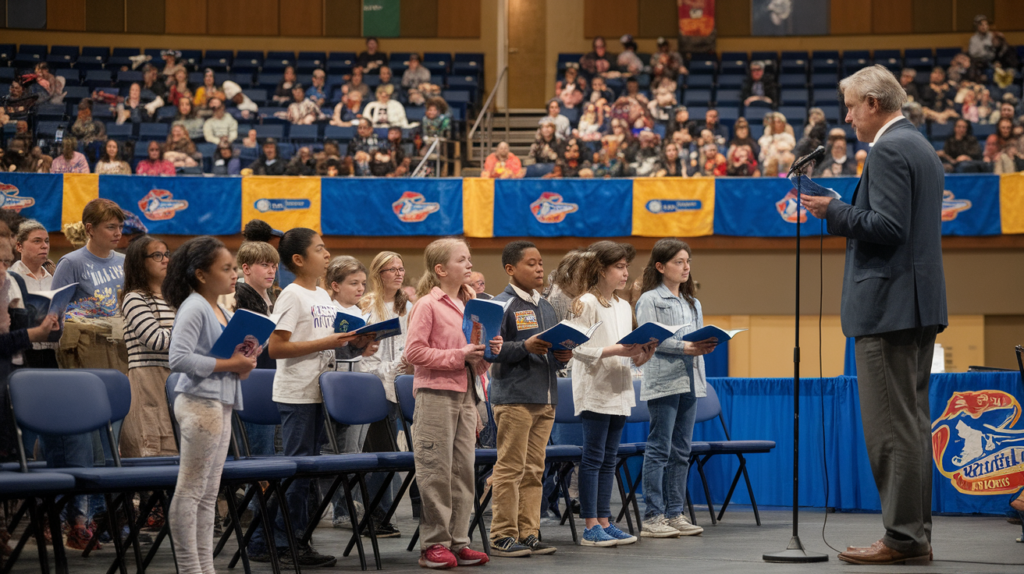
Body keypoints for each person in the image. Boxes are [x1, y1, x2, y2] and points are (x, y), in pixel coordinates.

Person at [801, 65, 947, 566]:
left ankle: (903, 538)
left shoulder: (887, 148)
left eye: (851, 106)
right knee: (910, 424)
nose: (847, 117)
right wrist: (846, 206)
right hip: (915, 304)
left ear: (873, 104)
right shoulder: (919, 145)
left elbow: (887, 225)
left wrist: (833, 212)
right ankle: (914, 535)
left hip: (888, 308)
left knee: (891, 430)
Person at [268, 228, 367, 567]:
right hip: (297, 394)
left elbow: (329, 342)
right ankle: (281, 543)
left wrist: (358, 343)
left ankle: (281, 539)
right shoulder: (292, 295)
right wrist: (327, 343)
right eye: (320, 249)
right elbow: (276, 347)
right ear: (298, 259)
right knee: (298, 473)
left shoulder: (323, 296)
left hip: (319, 393)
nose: (327, 255)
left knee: (308, 475)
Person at [165, 236, 257, 573]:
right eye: (227, 268)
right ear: (202, 274)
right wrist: (232, 364)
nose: (235, 274)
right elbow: (178, 358)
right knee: (191, 490)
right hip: (199, 404)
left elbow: (225, 361)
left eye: (235, 268)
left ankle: (206, 567)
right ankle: (191, 568)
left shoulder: (219, 307)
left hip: (219, 402)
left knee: (208, 493)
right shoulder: (195, 305)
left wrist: (244, 360)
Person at [405, 237, 496, 569]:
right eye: (463, 260)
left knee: (463, 472)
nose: (469, 264)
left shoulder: (473, 302)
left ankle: (459, 542)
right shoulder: (427, 305)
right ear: (441, 269)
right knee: (436, 471)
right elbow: (413, 353)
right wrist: (460, 354)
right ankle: (434, 544)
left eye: (470, 259)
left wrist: (488, 352)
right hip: (435, 395)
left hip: (466, 393)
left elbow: (475, 360)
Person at [486, 241, 571, 558]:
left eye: (540, 263)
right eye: (531, 263)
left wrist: (563, 356)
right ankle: (502, 535)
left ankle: (529, 531)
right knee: (510, 469)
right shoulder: (501, 306)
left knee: (535, 469)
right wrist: (524, 347)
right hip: (514, 399)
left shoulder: (547, 307)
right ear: (511, 269)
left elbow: (551, 353)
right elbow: (490, 353)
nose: (539, 269)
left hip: (545, 398)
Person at [569, 241, 652, 547]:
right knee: (592, 458)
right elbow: (577, 348)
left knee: (609, 459)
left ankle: (604, 519)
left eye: (626, 266)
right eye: (618, 267)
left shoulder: (623, 305)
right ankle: (590, 524)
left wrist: (642, 353)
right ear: (600, 270)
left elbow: (626, 350)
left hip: (619, 388)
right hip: (595, 389)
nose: (625, 272)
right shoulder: (586, 303)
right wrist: (617, 349)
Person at [635, 239, 714, 538]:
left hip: (691, 379)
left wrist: (705, 345)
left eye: (688, 262)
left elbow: (696, 339)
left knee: (681, 450)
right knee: (659, 449)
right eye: (679, 262)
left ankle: (674, 512)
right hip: (663, 380)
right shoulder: (649, 300)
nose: (685, 267)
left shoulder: (693, 302)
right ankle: (653, 516)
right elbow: (650, 341)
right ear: (660, 266)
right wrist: (687, 347)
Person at [355, 251, 412, 531]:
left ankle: (382, 515)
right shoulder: (368, 308)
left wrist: (404, 364)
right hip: (375, 386)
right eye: (392, 269)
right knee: (380, 452)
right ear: (379, 275)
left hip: (404, 383)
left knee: (394, 453)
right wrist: (394, 366)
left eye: (401, 269)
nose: (399, 273)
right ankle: (375, 515)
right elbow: (367, 356)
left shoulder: (409, 308)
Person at [0, 236, 61, 464]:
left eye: (6, 262)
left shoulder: (7, 282)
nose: (3, 270)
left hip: (12, 375)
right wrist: (34, 333)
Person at [120, 236, 178, 458]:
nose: (164, 260)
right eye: (156, 255)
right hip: (149, 380)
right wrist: (192, 332)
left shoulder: (175, 298)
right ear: (139, 262)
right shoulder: (134, 298)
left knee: (179, 449)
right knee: (156, 450)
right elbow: (156, 340)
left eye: (166, 254)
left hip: (177, 378)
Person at [51, 199, 125, 318]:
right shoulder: (71, 263)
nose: (118, 233)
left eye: (120, 227)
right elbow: (55, 314)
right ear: (90, 229)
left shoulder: (125, 261)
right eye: (111, 227)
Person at [10, 220, 59, 369]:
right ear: (19, 246)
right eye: (37, 241)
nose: (44, 246)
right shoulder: (10, 277)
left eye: (46, 241)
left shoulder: (53, 278)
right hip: (23, 351)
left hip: (51, 350)